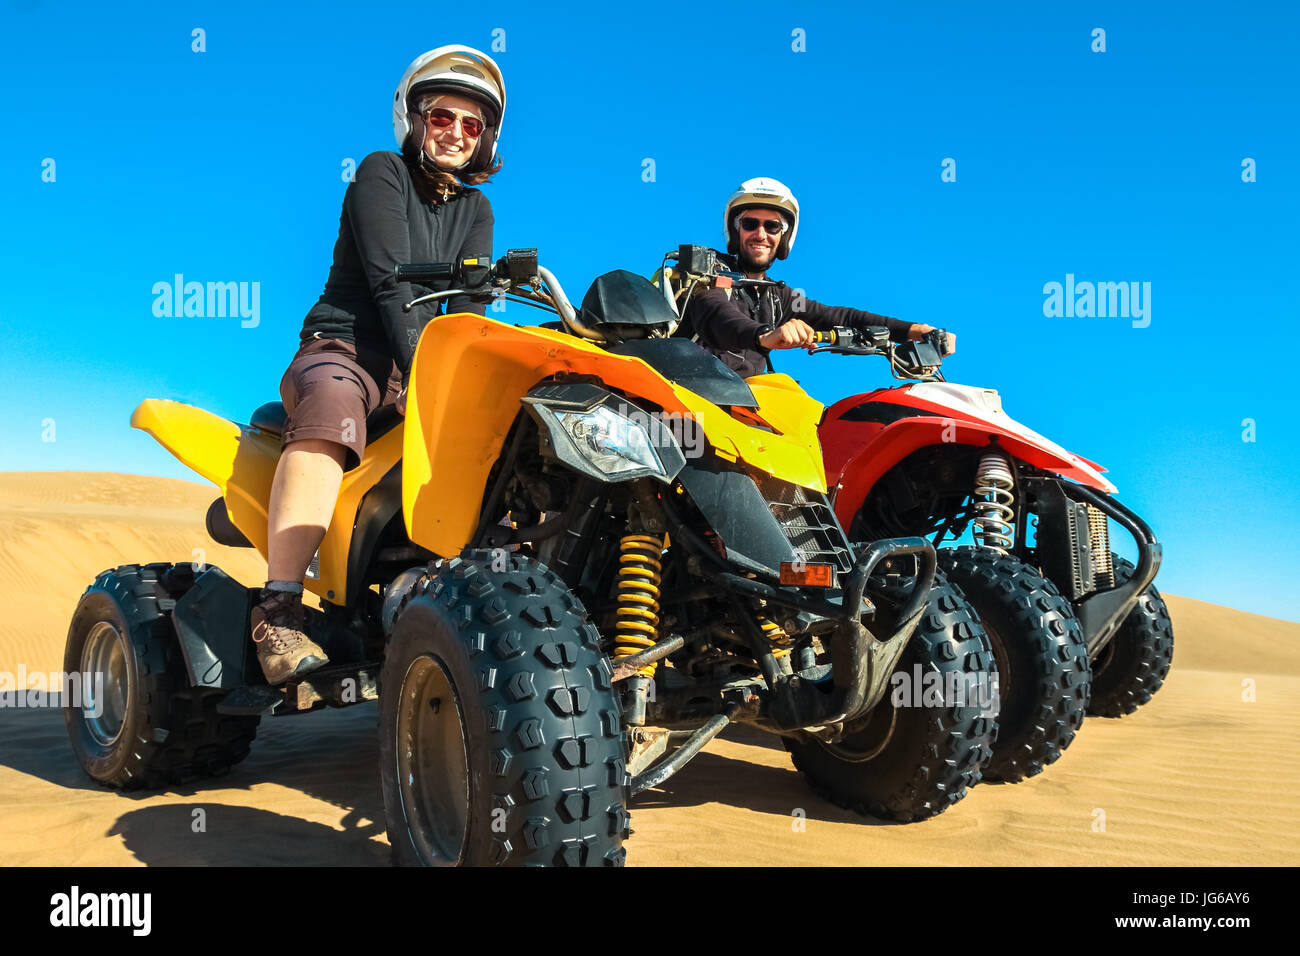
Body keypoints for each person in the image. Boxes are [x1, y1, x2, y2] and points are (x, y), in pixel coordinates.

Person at [250, 45, 506, 684]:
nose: (455, 133)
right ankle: (277, 609)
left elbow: (469, 307)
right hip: (346, 350)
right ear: (414, 116)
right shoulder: (380, 172)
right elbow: (392, 283)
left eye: (472, 125)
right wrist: (429, 375)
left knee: (509, 445)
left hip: (421, 365)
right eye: (444, 117)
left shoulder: (477, 210)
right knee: (333, 409)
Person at [676, 178, 954, 378]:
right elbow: (717, 315)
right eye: (750, 224)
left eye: (772, 226)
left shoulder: (776, 297)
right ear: (735, 230)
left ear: (784, 236)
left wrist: (917, 330)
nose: (761, 234)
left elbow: (842, 317)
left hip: (746, 407)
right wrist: (765, 335)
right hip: (690, 400)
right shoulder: (708, 272)